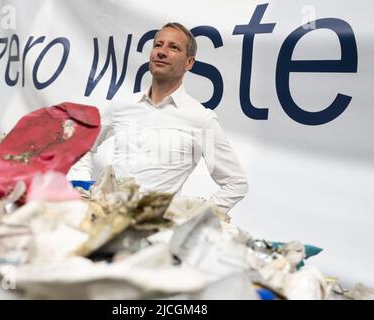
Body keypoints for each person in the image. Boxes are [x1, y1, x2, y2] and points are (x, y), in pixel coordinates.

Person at [68, 22, 248, 213]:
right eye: (158, 45)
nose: (162, 52)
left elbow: (236, 182)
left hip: (153, 232)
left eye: (174, 48)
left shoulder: (201, 119)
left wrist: (193, 217)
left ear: (189, 62)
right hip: (106, 220)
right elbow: (82, 143)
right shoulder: (122, 106)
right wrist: (82, 185)